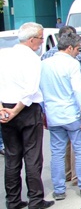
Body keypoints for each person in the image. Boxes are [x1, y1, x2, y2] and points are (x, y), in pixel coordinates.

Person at [0, 22, 55, 209]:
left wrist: (3, 109)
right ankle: (36, 199)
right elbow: (31, 89)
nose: (41, 43)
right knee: (32, 156)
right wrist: (16, 110)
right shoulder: (32, 59)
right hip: (25, 108)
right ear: (32, 40)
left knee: (12, 156)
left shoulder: (4, 55)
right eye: (40, 39)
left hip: (5, 108)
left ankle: (13, 200)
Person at [42, 26, 81, 187]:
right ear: (69, 48)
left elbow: (40, 90)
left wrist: (44, 113)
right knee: (80, 149)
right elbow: (78, 89)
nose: (78, 52)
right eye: (77, 49)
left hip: (53, 114)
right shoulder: (72, 63)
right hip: (71, 113)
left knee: (56, 152)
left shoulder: (44, 62)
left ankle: (59, 188)